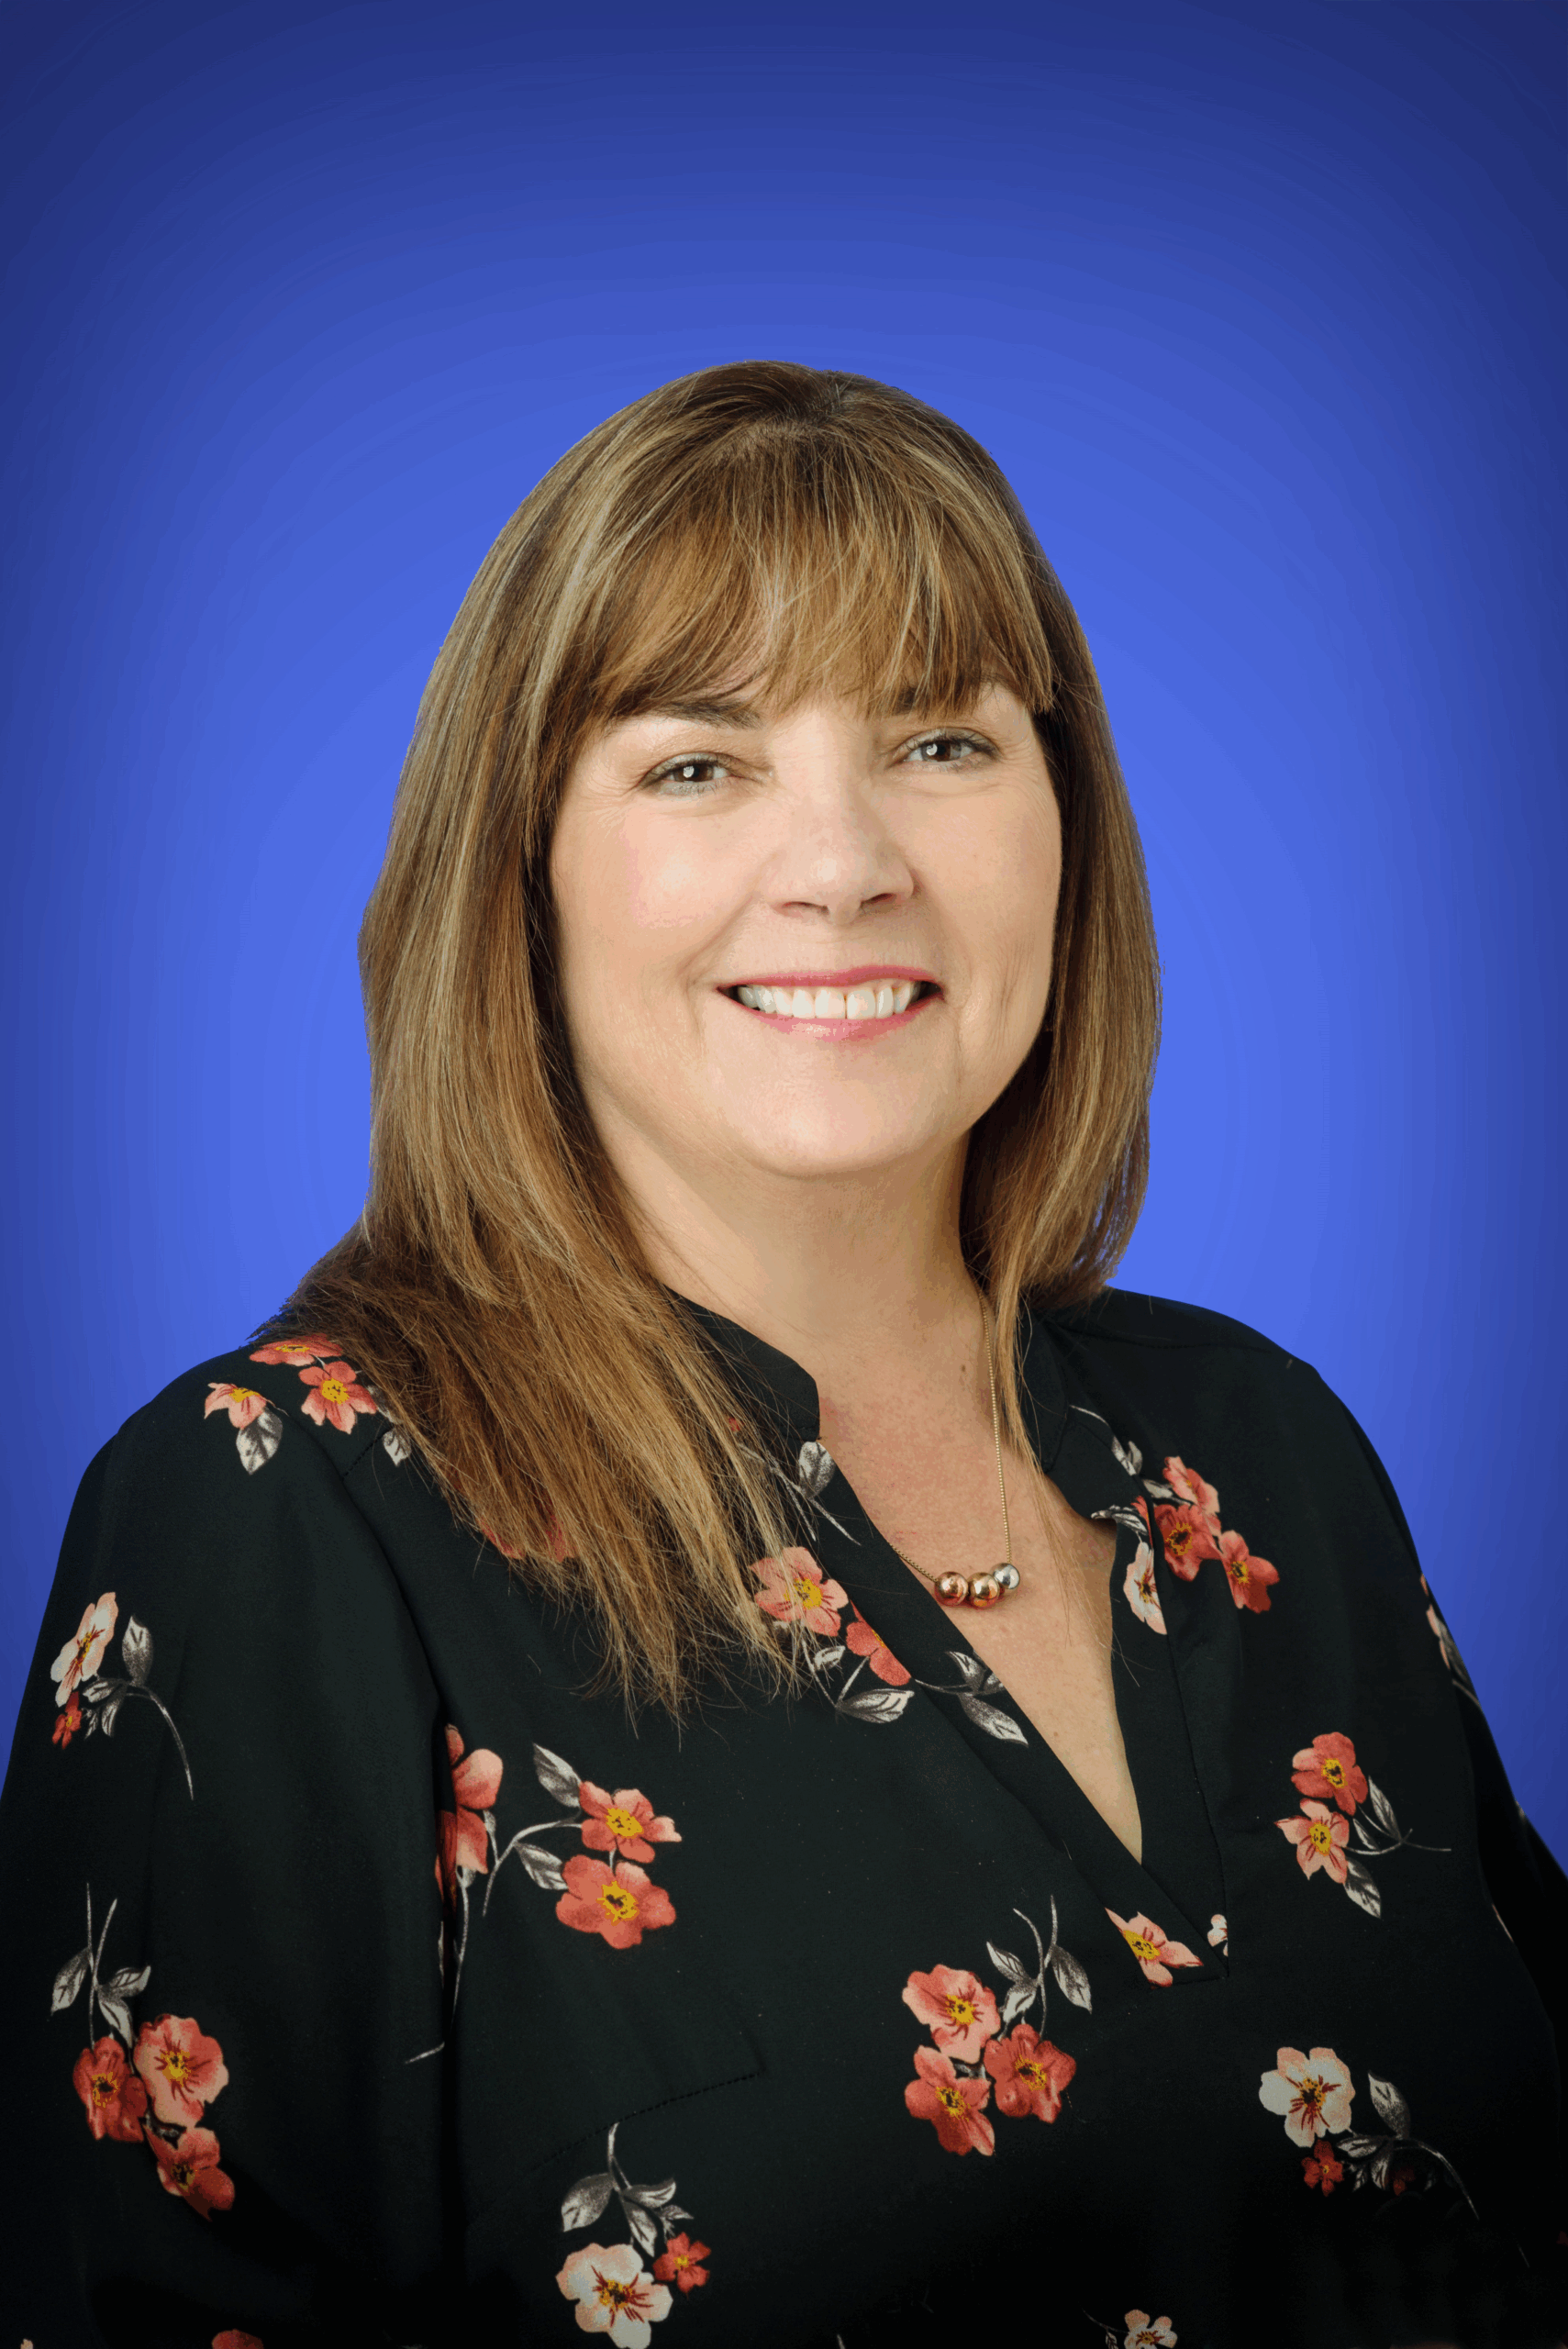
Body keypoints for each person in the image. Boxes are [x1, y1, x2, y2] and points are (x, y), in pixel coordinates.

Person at [0, 361, 1561, 2349]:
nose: (840, 861)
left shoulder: (1255, 1442)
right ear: (523, 871)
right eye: (694, 761)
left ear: (1061, 822)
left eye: (935, 739)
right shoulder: (276, 1520)